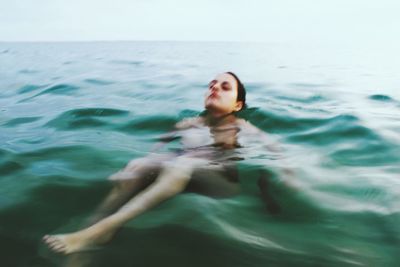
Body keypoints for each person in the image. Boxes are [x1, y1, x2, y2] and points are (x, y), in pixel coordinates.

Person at [43, 72, 279, 254]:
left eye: (225, 87)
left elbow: (275, 157)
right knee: (137, 165)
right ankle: (90, 232)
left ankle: (99, 232)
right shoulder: (187, 124)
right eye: (211, 85)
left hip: (222, 183)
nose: (215, 87)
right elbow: (155, 151)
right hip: (181, 175)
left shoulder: (243, 127)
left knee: (181, 164)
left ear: (238, 105)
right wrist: (136, 168)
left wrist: (267, 194)